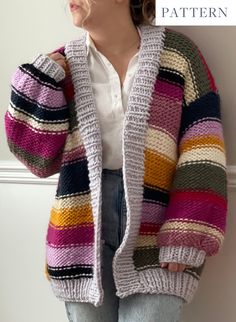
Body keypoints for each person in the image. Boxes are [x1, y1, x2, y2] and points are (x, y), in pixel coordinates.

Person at [4, 0, 228, 321]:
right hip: (80, 231)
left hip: (158, 225)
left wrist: (188, 232)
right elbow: (38, 160)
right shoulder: (60, 67)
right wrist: (35, 83)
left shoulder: (179, 57)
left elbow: (203, 144)